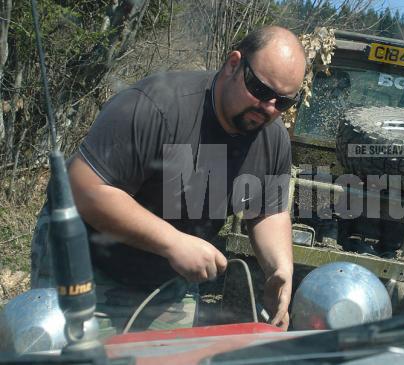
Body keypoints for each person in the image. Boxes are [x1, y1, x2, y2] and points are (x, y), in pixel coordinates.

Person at [30, 26, 306, 332]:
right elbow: (83, 188)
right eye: (260, 89)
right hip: (86, 259)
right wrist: (173, 242)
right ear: (232, 64)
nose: (268, 107)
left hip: (167, 279)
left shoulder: (273, 140)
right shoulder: (156, 107)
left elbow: (268, 210)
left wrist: (280, 268)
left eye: (283, 102)